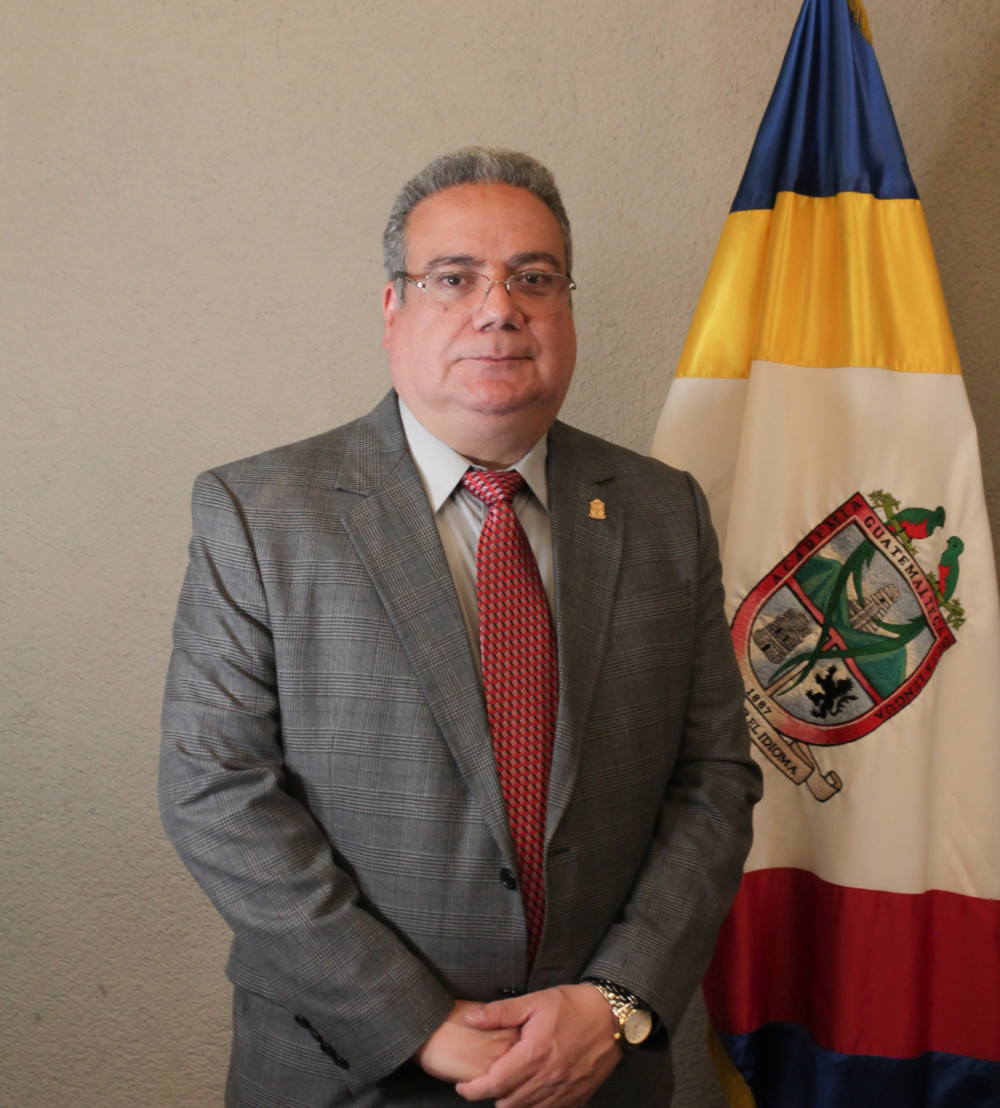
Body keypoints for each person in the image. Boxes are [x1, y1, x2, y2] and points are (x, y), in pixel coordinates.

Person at [159, 146, 762, 1108]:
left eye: (534, 278)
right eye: (455, 278)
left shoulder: (663, 512)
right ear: (392, 308)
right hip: (347, 1070)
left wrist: (614, 999)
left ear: (567, 308)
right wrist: (415, 1023)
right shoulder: (259, 512)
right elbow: (215, 792)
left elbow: (713, 779)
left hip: (597, 1074)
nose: (499, 308)